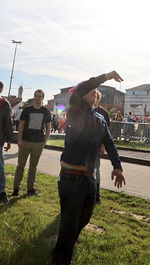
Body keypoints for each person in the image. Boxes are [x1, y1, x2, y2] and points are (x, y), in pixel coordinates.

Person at [51, 71, 125, 265]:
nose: (94, 90)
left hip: (89, 178)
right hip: (71, 177)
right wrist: (107, 76)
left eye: (96, 91)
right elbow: (86, 85)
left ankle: (63, 249)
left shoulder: (100, 119)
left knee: (83, 218)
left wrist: (117, 166)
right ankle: (60, 258)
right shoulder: (74, 108)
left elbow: (110, 143)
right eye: (90, 89)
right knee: (69, 223)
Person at [12, 89, 52, 197]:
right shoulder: (27, 110)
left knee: (33, 166)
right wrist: (19, 140)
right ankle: (16, 188)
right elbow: (21, 126)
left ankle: (31, 188)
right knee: (20, 166)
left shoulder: (46, 111)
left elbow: (48, 128)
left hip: (38, 143)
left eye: (40, 96)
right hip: (25, 141)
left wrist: (45, 141)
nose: (38, 98)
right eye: (36, 95)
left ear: (43, 98)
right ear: (34, 96)